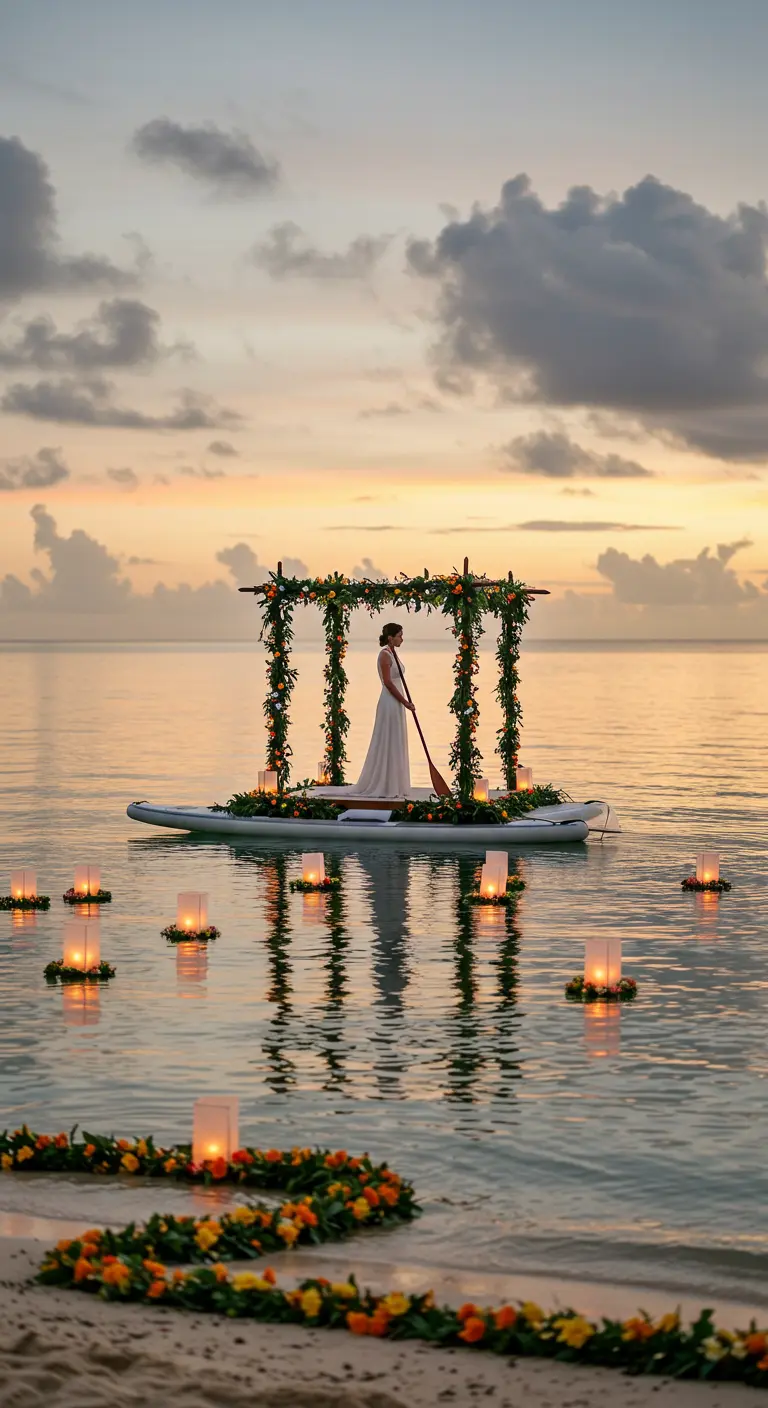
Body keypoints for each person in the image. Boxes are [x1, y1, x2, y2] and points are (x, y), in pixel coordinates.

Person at [347, 623, 413, 797]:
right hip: (390, 702)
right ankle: (384, 784)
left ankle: (395, 782)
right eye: (399, 635)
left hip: (397, 702)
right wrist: (406, 702)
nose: (402, 639)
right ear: (391, 638)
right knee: (388, 739)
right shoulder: (384, 655)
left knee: (396, 740)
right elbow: (388, 683)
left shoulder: (393, 653)